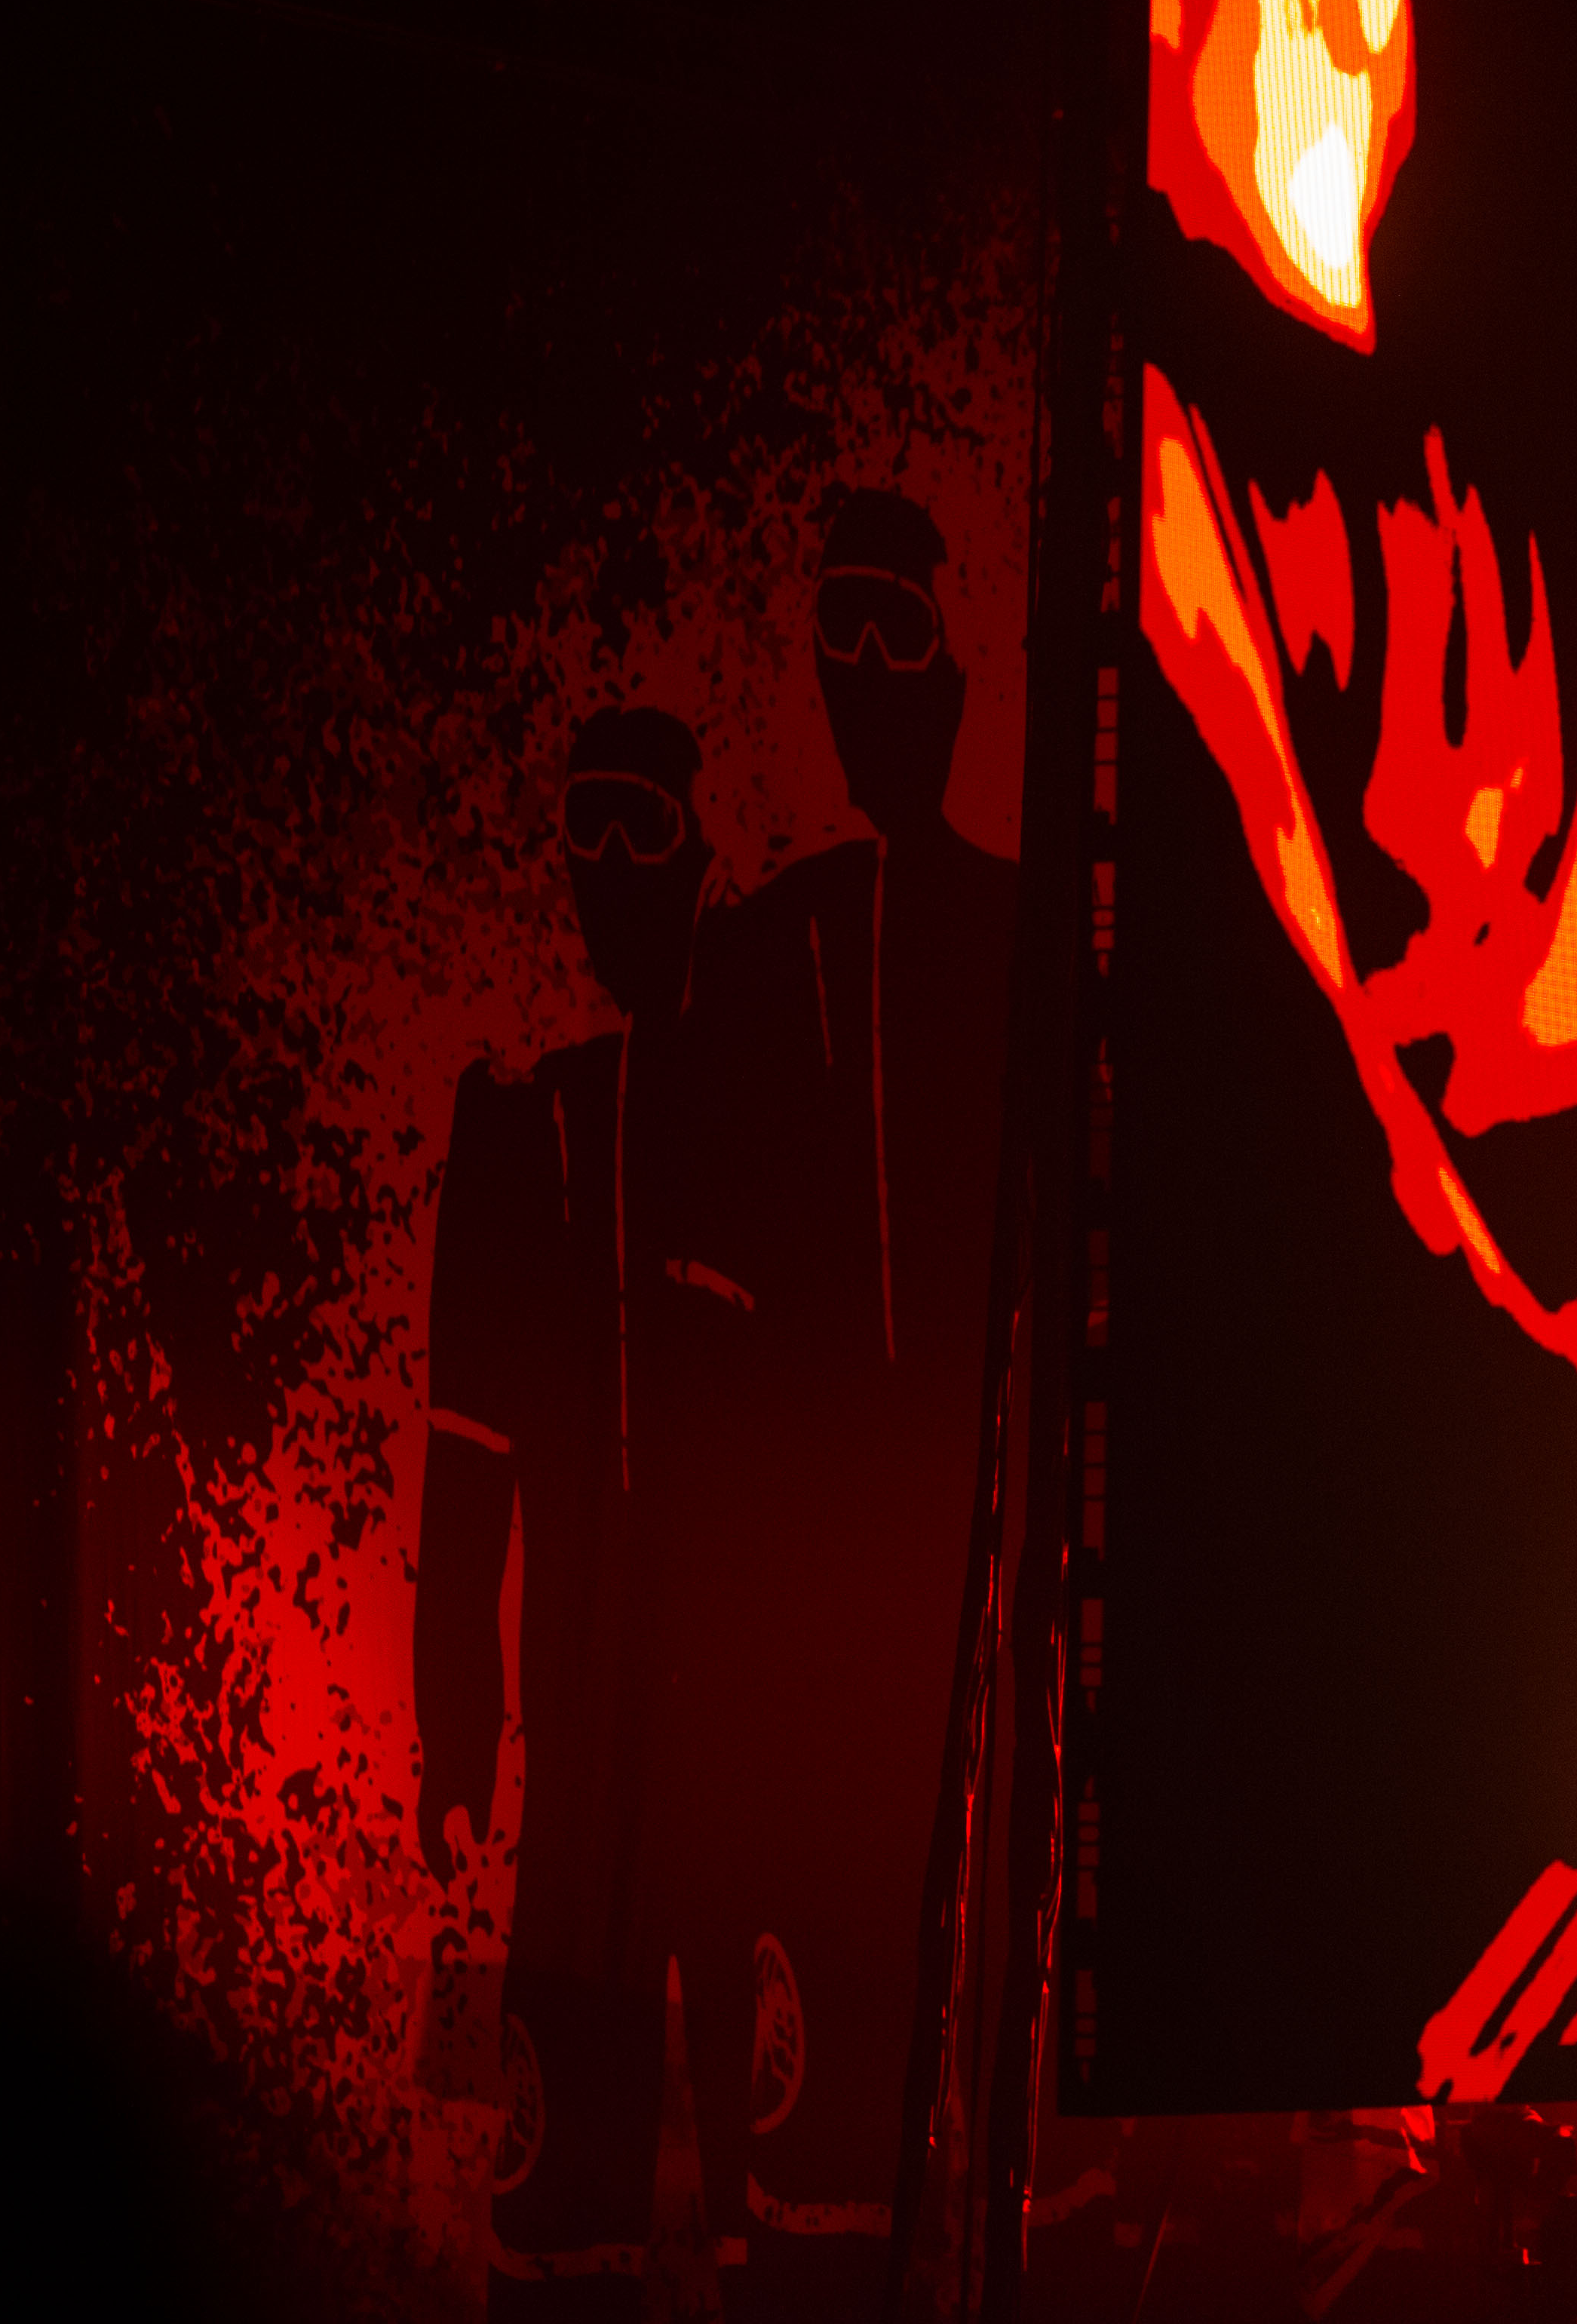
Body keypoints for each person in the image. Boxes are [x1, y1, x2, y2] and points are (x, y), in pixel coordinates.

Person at [628, 489, 1017, 2309]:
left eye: (897, 636)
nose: (867, 675)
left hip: (972, 1555)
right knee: (813, 2022)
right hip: (814, 1589)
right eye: (837, 638)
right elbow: (703, 1299)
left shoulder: (1018, 935)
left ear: (951, 677)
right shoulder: (763, 947)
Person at [416, 705, 761, 2315]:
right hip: (574, 1736)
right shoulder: (516, 1122)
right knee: (561, 2184)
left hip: (741, 1735)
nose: (616, 865)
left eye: (648, 828)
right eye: (589, 831)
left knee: (776, 2174)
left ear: (695, 858)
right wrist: (455, 1719)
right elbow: (469, 1449)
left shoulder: (753, 1107)